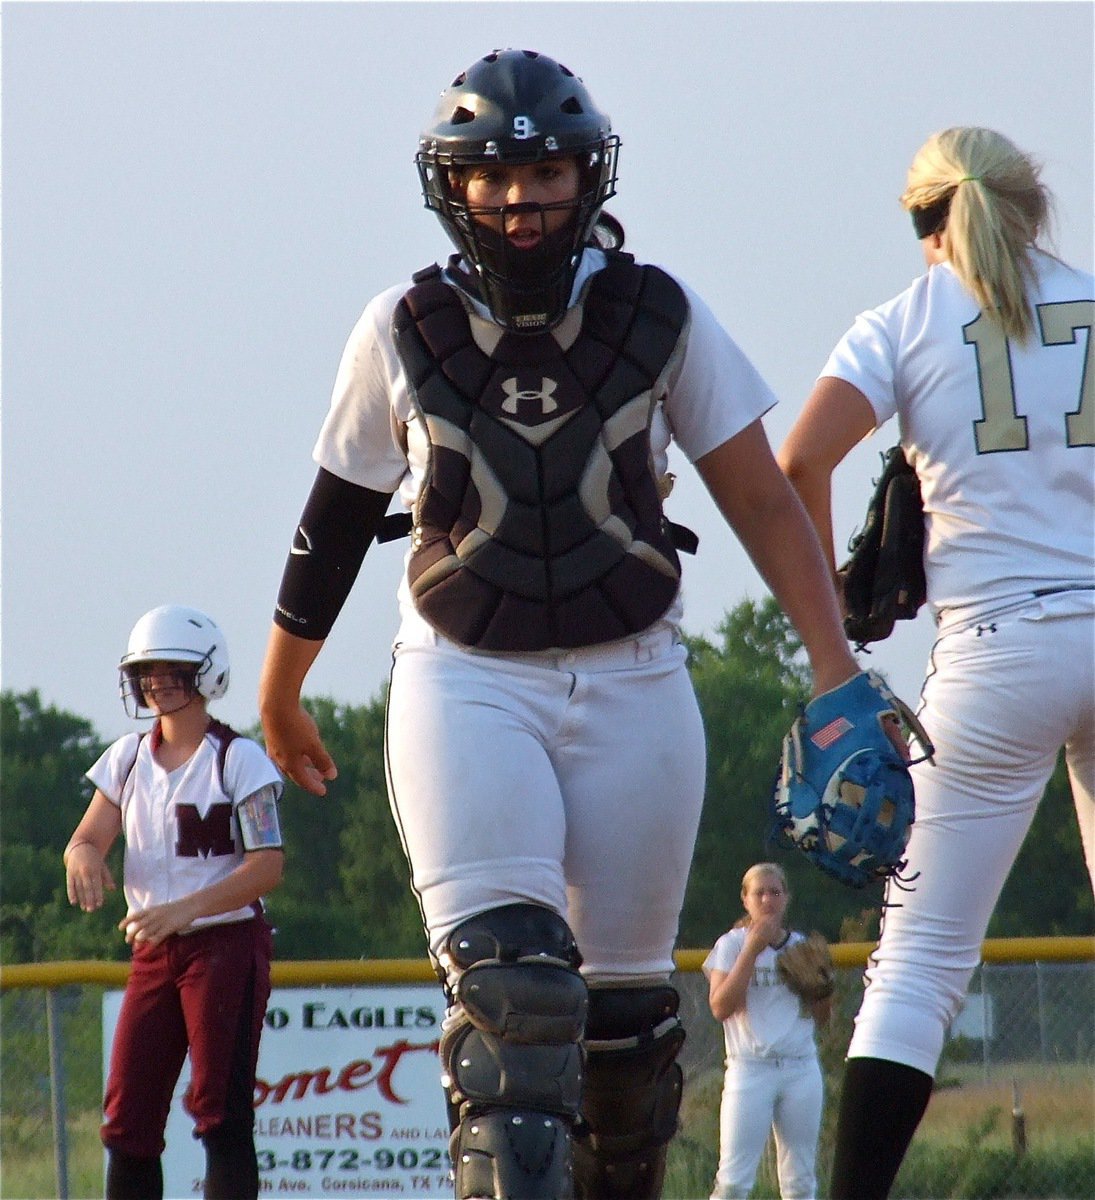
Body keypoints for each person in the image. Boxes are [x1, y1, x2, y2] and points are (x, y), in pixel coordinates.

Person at [257, 48, 863, 1200]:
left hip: (637, 678)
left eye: (546, 174)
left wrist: (837, 670)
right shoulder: (402, 326)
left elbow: (761, 500)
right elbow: (333, 521)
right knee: (514, 1004)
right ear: (453, 186)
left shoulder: (657, 313)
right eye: (495, 177)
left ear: (594, 177)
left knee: (626, 1051)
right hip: (468, 681)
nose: (522, 200)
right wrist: (282, 692)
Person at [777, 126, 1094, 1198]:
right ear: (1030, 208)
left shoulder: (905, 321)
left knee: (917, 968)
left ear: (928, 222)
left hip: (998, 652)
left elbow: (799, 459)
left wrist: (829, 638)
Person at [65, 605, 285, 1200]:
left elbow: (268, 865)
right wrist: (82, 855)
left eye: (172, 669)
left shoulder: (238, 759)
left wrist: (187, 909)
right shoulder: (127, 758)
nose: (156, 682)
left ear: (207, 675)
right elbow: (89, 836)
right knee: (127, 1120)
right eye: (146, 671)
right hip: (154, 950)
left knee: (221, 1113)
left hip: (225, 946)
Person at [704, 863, 829, 1200]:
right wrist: (752, 949)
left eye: (775, 892)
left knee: (800, 1182)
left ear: (786, 898)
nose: (767, 899)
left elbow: (821, 1018)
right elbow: (720, 1007)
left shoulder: (800, 947)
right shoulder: (731, 945)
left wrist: (819, 987)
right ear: (745, 899)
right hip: (750, 1068)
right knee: (733, 1182)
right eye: (759, 892)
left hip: (799, 1066)